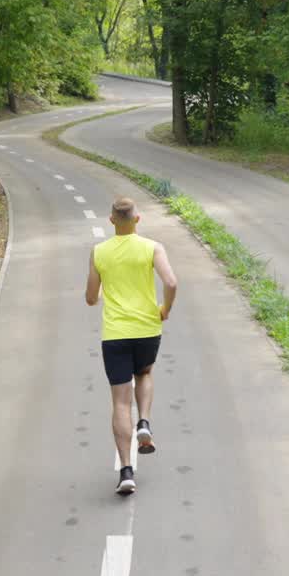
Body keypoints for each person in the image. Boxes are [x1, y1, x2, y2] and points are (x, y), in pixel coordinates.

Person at [85, 196, 178, 495]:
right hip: (148, 329)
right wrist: (165, 310)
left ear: (111, 220)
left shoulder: (99, 252)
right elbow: (171, 282)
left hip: (115, 334)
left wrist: (102, 291)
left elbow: (90, 297)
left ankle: (126, 471)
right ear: (137, 219)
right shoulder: (152, 247)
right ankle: (145, 423)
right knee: (145, 374)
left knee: (120, 401)